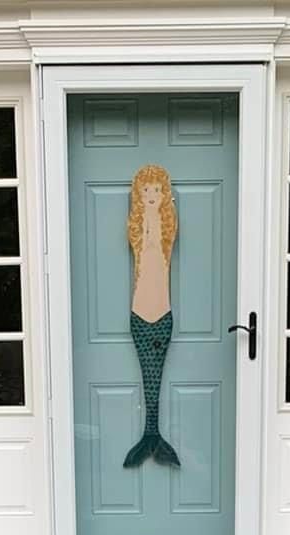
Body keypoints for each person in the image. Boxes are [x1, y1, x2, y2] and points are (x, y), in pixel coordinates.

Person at [124, 164, 180, 469]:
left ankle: (153, 434)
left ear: (164, 195)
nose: (150, 196)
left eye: (156, 191)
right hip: (139, 313)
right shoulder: (136, 227)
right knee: (148, 373)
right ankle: (150, 435)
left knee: (155, 374)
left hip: (162, 313)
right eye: (145, 190)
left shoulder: (166, 228)